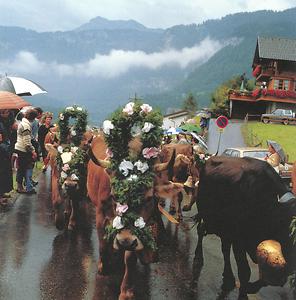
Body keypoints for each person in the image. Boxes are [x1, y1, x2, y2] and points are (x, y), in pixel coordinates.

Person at [14, 108, 38, 194]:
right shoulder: (26, 126)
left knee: (21, 168)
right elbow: (27, 143)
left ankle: (20, 186)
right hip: (23, 150)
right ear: (33, 118)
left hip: (19, 148)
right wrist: (33, 151)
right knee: (23, 168)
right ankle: (20, 187)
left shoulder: (23, 123)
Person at [0, 109, 14, 203]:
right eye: (5, 112)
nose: (7, 113)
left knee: (5, 172)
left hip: (5, 150)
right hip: (2, 149)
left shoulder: (5, 121)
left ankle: (2, 192)